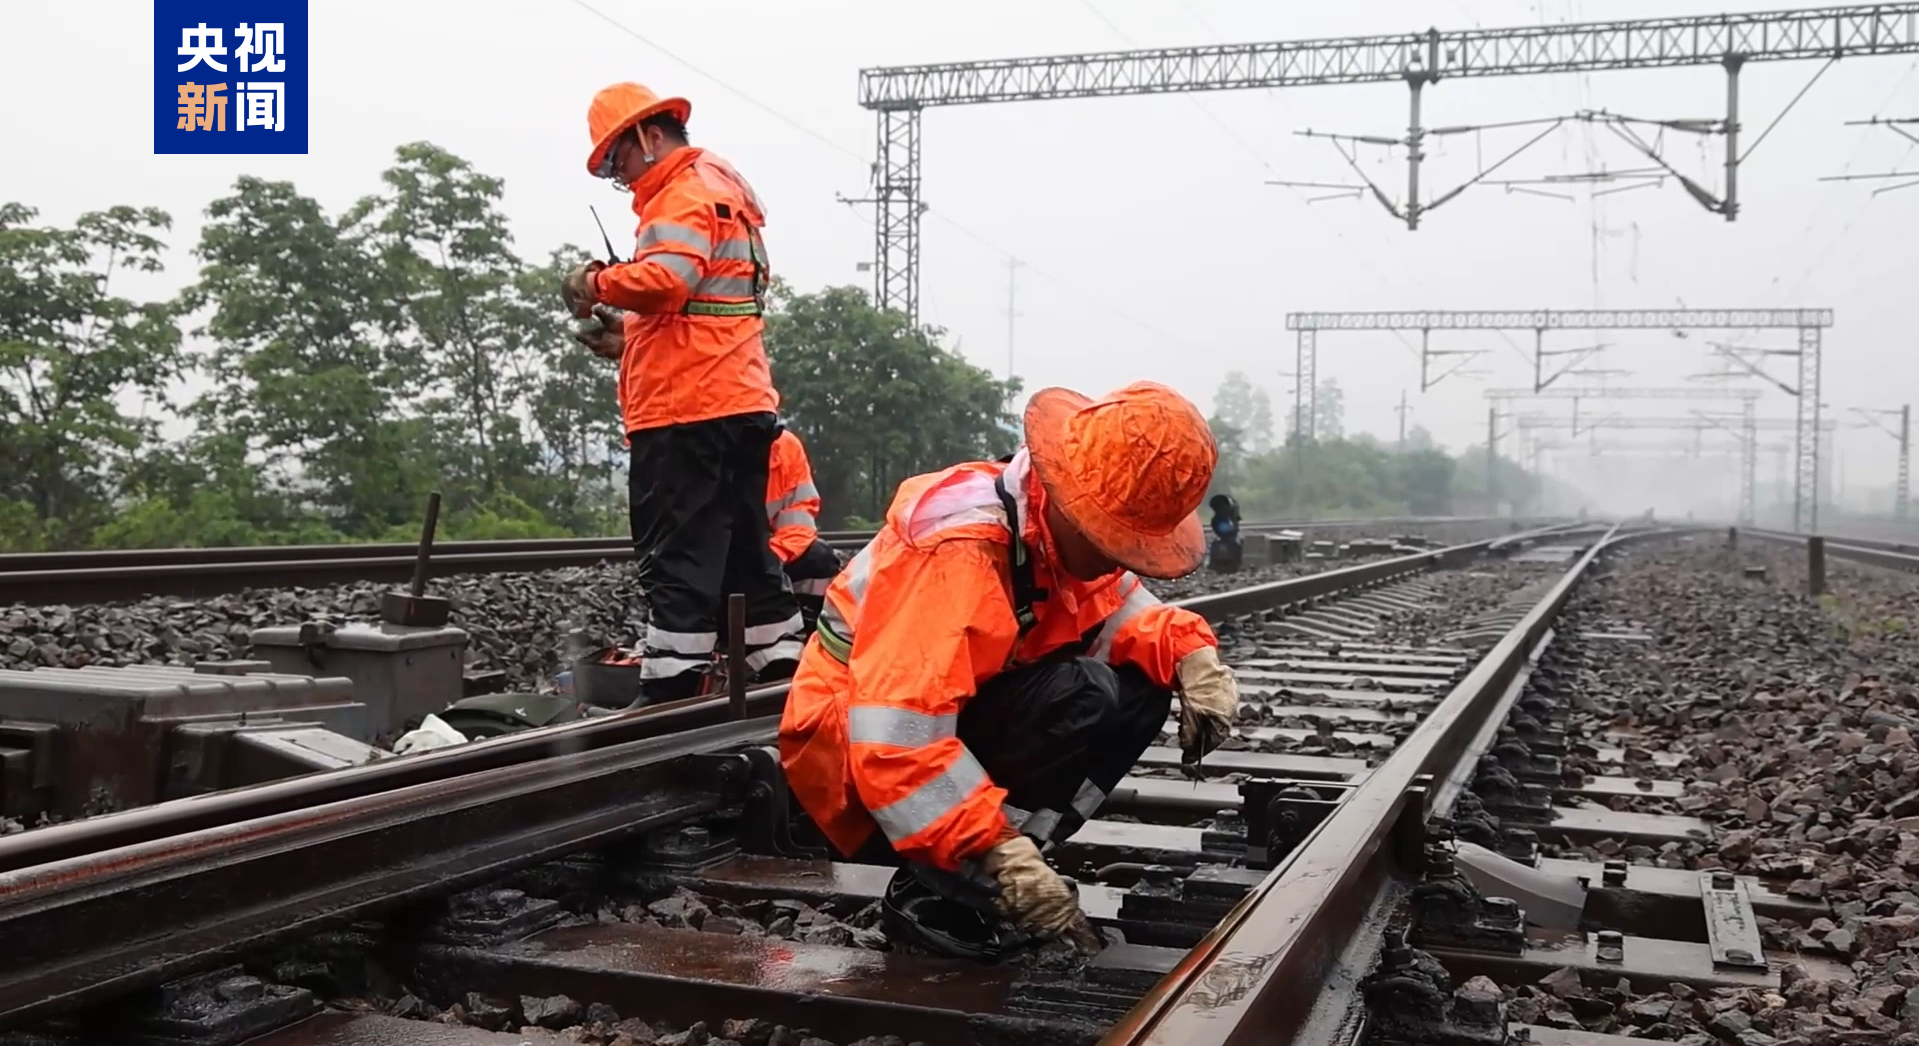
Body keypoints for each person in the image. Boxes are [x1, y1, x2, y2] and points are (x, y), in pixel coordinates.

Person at [778, 382, 1241, 958]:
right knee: (1083, 693)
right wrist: (994, 852)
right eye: (1111, 542)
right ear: (1068, 503)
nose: (1118, 560)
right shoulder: (959, 555)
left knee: (1143, 685)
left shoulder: (1048, 532)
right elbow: (896, 740)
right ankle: (942, 886)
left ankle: (1004, 864)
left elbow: (1116, 611)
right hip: (855, 759)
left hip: (939, 725)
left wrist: (1191, 654)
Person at [561, 82, 802, 704]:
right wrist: (629, 338)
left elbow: (668, 280)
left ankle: (672, 685)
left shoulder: (680, 193)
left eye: (616, 161)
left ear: (649, 136)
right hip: (736, 400)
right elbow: (703, 305)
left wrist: (596, 282)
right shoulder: (722, 191)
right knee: (745, 550)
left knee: (676, 550)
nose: (619, 177)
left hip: (686, 410)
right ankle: (780, 676)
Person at [766, 425, 845, 635]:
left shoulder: (786, 446)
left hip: (773, 552)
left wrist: (773, 558)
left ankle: (811, 636)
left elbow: (800, 521)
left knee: (820, 559)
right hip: (714, 559)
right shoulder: (698, 440)